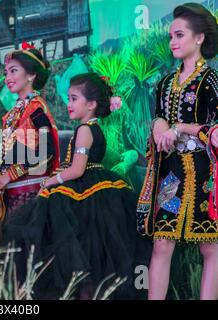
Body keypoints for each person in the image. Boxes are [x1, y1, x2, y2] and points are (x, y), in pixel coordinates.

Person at [3, 73, 148, 299]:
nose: (68, 104)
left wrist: (50, 181)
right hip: (96, 190)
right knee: (94, 262)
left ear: (91, 104)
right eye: (68, 99)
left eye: (73, 99)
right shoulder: (93, 128)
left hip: (85, 192)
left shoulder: (84, 130)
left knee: (77, 258)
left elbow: (77, 169)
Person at [137, 3, 218, 300]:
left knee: (210, 246)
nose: (173, 41)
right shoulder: (165, 83)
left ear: (199, 38)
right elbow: (159, 114)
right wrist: (159, 126)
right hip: (171, 174)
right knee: (162, 242)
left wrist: (181, 128)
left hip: (204, 172)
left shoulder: (210, 81)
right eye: (171, 35)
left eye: (180, 35)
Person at [0, 43, 60, 237]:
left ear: (31, 75)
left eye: (13, 71)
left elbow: (46, 152)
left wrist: (8, 176)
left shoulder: (36, 109)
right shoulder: (11, 114)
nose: (7, 78)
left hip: (31, 194)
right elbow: (7, 156)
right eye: (5, 73)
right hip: (13, 195)